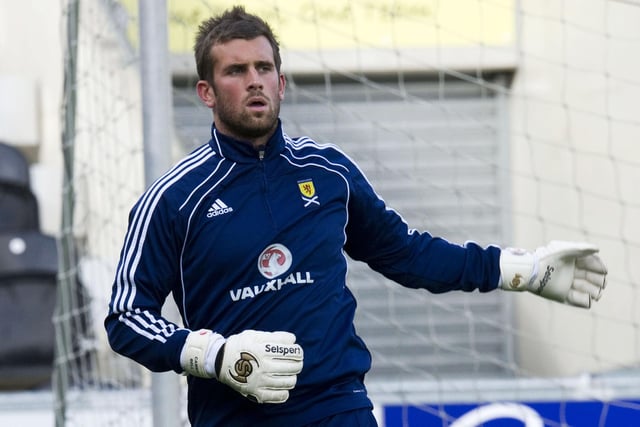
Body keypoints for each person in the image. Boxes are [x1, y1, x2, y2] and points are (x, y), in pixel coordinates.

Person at [104, 6, 608, 427]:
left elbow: (408, 254)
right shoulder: (173, 199)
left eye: (263, 68)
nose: (254, 82)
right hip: (236, 418)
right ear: (206, 92)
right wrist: (215, 357)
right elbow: (126, 318)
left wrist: (521, 269)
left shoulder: (329, 172)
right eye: (235, 71)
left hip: (339, 408)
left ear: (281, 82)